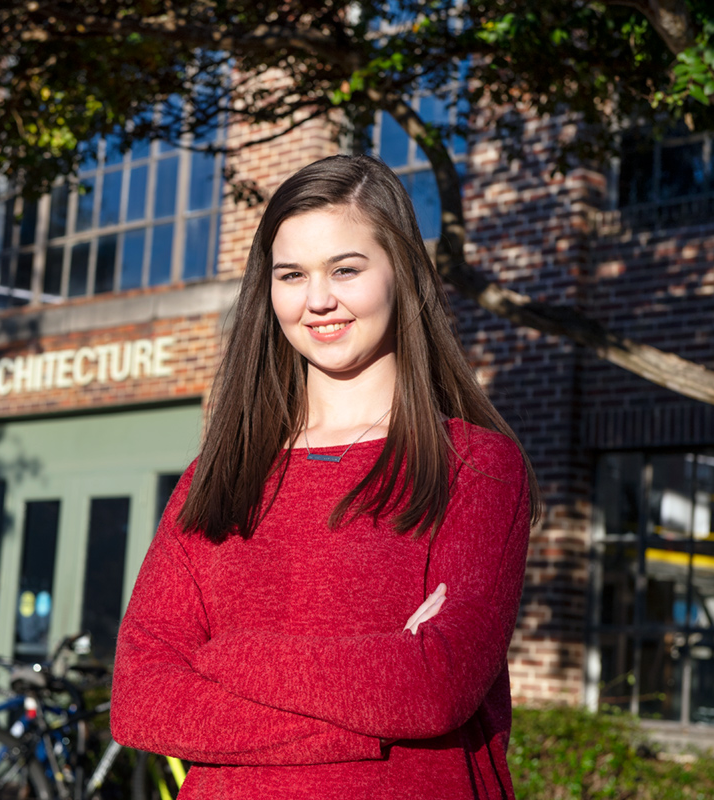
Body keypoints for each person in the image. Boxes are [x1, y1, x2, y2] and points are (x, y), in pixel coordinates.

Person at [111, 154, 539, 799]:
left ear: (401, 274)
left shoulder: (477, 467)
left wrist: (229, 656)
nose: (318, 300)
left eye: (345, 269)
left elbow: (437, 688)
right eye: (292, 275)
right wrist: (370, 713)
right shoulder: (217, 478)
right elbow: (141, 701)